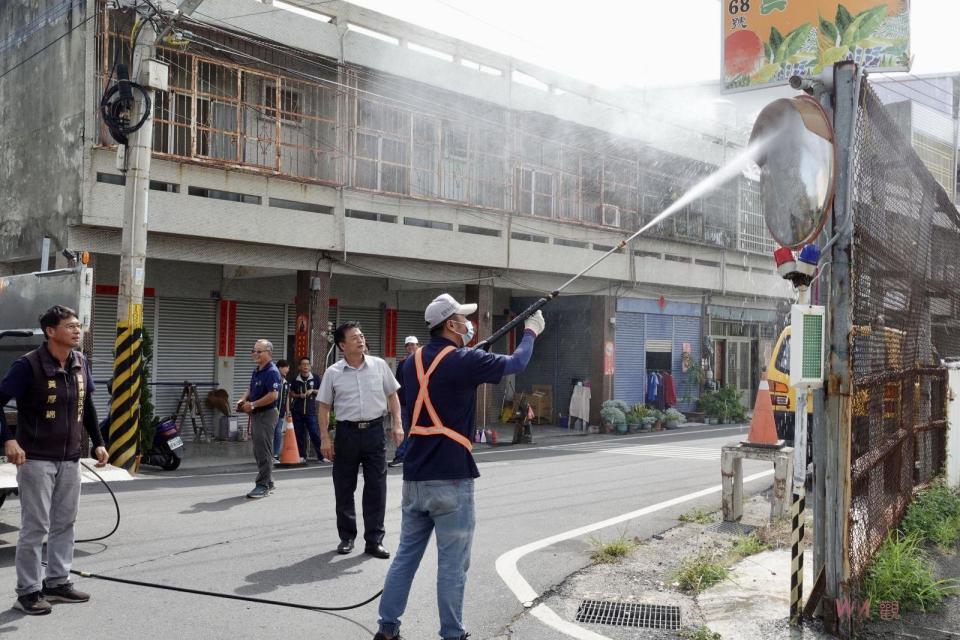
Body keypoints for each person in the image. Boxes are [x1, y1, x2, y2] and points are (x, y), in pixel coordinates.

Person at [373, 294, 544, 640]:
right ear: (450, 325)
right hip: (451, 478)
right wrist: (531, 331)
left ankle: (387, 629)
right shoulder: (464, 360)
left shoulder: (411, 362)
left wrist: (469, 356)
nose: (469, 325)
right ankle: (452, 634)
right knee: (452, 566)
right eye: (464, 320)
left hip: (415, 476)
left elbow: (429, 390)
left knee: (405, 557)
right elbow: (517, 362)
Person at [0, 305, 109, 616]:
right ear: (51, 331)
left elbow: (86, 403)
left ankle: (58, 582)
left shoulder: (79, 362)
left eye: (78, 326)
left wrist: (98, 443)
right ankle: (28, 591)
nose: (77, 331)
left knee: (65, 523)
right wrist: (8, 439)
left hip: (70, 459)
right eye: (70, 326)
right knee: (35, 527)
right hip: (35, 460)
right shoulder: (28, 365)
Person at [318, 322, 402, 559]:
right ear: (342, 345)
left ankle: (374, 540)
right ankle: (347, 537)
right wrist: (325, 437)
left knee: (377, 487)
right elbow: (323, 406)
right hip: (347, 434)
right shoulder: (333, 372)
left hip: (375, 432)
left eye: (362, 335)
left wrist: (398, 424)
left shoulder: (379, 366)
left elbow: (392, 396)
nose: (360, 339)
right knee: (344, 486)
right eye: (354, 337)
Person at [236, 339, 281, 499]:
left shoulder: (272, 372)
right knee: (259, 450)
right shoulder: (258, 370)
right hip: (257, 414)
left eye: (258, 351)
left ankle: (262, 485)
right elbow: (250, 388)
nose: (254, 354)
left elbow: (273, 395)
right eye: (253, 350)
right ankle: (268, 482)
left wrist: (253, 405)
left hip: (266, 415)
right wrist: (242, 400)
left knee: (263, 451)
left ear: (269, 353)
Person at [387, 336, 419, 468]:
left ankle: (415, 456)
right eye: (408, 345)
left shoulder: (424, 361)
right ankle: (400, 456)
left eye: (413, 345)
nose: (410, 347)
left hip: (420, 403)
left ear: (418, 345)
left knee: (418, 430)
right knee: (403, 429)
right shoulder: (402, 363)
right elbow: (397, 384)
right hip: (405, 403)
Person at [290, 357, 324, 463]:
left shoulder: (316, 378)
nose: (305, 366)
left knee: (314, 433)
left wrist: (312, 390)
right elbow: (290, 393)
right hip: (297, 411)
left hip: (310, 411)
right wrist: (298, 395)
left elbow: (322, 391)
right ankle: (302, 455)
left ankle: (321, 456)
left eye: (307, 364)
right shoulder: (295, 379)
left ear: (310, 366)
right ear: (299, 367)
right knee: (299, 434)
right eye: (303, 364)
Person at [271, 360, 291, 460]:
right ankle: (268, 454)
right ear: (279, 368)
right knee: (270, 433)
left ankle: (275, 454)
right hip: (270, 412)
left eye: (288, 368)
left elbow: (287, 397)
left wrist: (288, 412)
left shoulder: (286, 383)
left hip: (281, 413)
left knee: (278, 432)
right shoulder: (274, 381)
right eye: (285, 367)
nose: (287, 370)